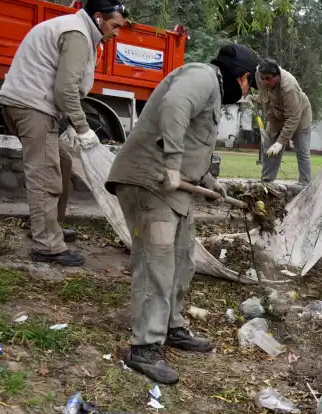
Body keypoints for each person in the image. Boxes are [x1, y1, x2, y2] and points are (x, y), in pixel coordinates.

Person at [105, 44, 259, 384]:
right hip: (150, 181)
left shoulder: (212, 90)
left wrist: (207, 179)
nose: (245, 93)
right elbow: (175, 106)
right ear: (243, 77)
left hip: (172, 189)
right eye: (249, 86)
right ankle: (144, 347)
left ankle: (171, 327)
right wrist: (173, 163)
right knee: (156, 264)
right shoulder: (202, 76)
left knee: (182, 258)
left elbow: (193, 140)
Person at [0, 0, 128, 267]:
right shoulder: (78, 34)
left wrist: (70, 124)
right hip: (32, 107)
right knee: (46, 176)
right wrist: (82, 128)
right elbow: (65, 89)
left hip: (29, 105)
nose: (116, 33)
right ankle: (46, 245)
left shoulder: (76, 28)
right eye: (114, 26)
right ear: (98, 18)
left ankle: (49, 228)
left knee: (62, 162)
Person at [256, 59, 313, 185]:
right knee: (269, 147)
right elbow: (264, 94)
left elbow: (293, 118)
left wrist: (280, 143)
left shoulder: (289, 88)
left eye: (268, 78)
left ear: (277, 76)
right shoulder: (259, 75)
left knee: (302, 150)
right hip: (275, 115)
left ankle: (305, 184)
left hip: (299, 117)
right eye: (262, 78)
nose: (265, 82)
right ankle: (266, 182)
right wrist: (255, 97)